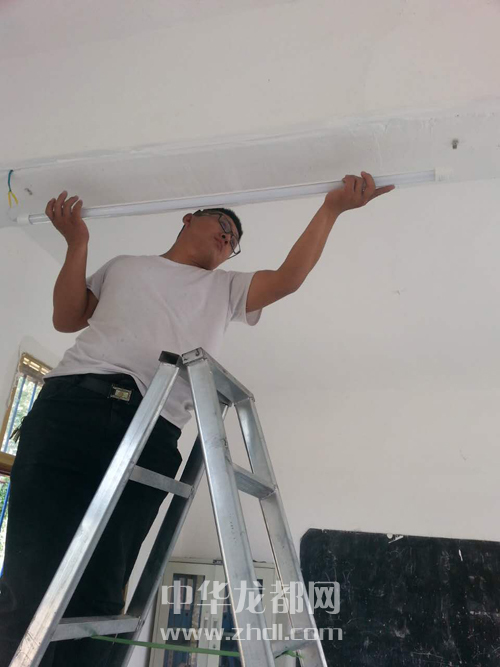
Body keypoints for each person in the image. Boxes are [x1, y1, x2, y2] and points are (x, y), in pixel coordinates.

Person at [0, 172, 394, 666]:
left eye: (235, 239)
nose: (229, 235)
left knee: (104, 578)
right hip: (71, 404)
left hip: (151, 426)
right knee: (29, 566)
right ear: (188, 218)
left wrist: (331, 209)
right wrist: (77, 243)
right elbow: (67, 317)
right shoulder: (125, 266)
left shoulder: (225, 288)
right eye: (222, 223)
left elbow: (288, 278)